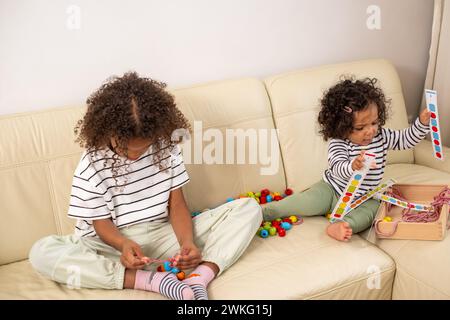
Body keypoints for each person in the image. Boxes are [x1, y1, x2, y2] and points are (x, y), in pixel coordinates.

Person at [29, 71, 262, 300]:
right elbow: (100, 223)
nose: (134, 156)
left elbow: (177, 204)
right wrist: (123, 244)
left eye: (142, 148)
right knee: (41, 252)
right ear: (107, 132)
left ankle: (200, 277)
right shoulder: (92, 162)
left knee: (249, 208)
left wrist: (187, 242)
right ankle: (150, 280)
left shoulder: (166, 148)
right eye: (126, 148)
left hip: (161, 236)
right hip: (109, 246)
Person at [262, 77, 430, 241]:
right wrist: (352, 166)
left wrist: (421, 124)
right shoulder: (339, 142)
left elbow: (406, 139)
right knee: (303, 202)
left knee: (373, 210)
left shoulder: (381, 136)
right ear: (341, 127)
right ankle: (267, 212)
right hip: (331, 190)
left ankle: (342, 225)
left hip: (363, 197)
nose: (370, 131)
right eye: (360, 127)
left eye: (374, 123)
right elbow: (337, 166)